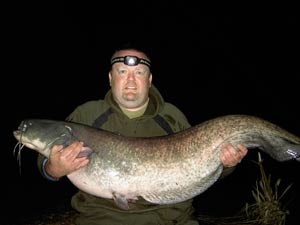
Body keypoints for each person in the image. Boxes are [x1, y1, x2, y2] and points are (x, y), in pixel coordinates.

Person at [37, 43, 248, 225]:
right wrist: (53, 169)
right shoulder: (87, 114)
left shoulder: (172, 117)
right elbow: (46, 161)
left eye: (139, 73)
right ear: (110, 78)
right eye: (122, 72)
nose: (130, 81)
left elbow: (200, 168)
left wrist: (227, 164)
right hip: (103, 218)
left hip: (169, 218)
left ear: (149, 79)